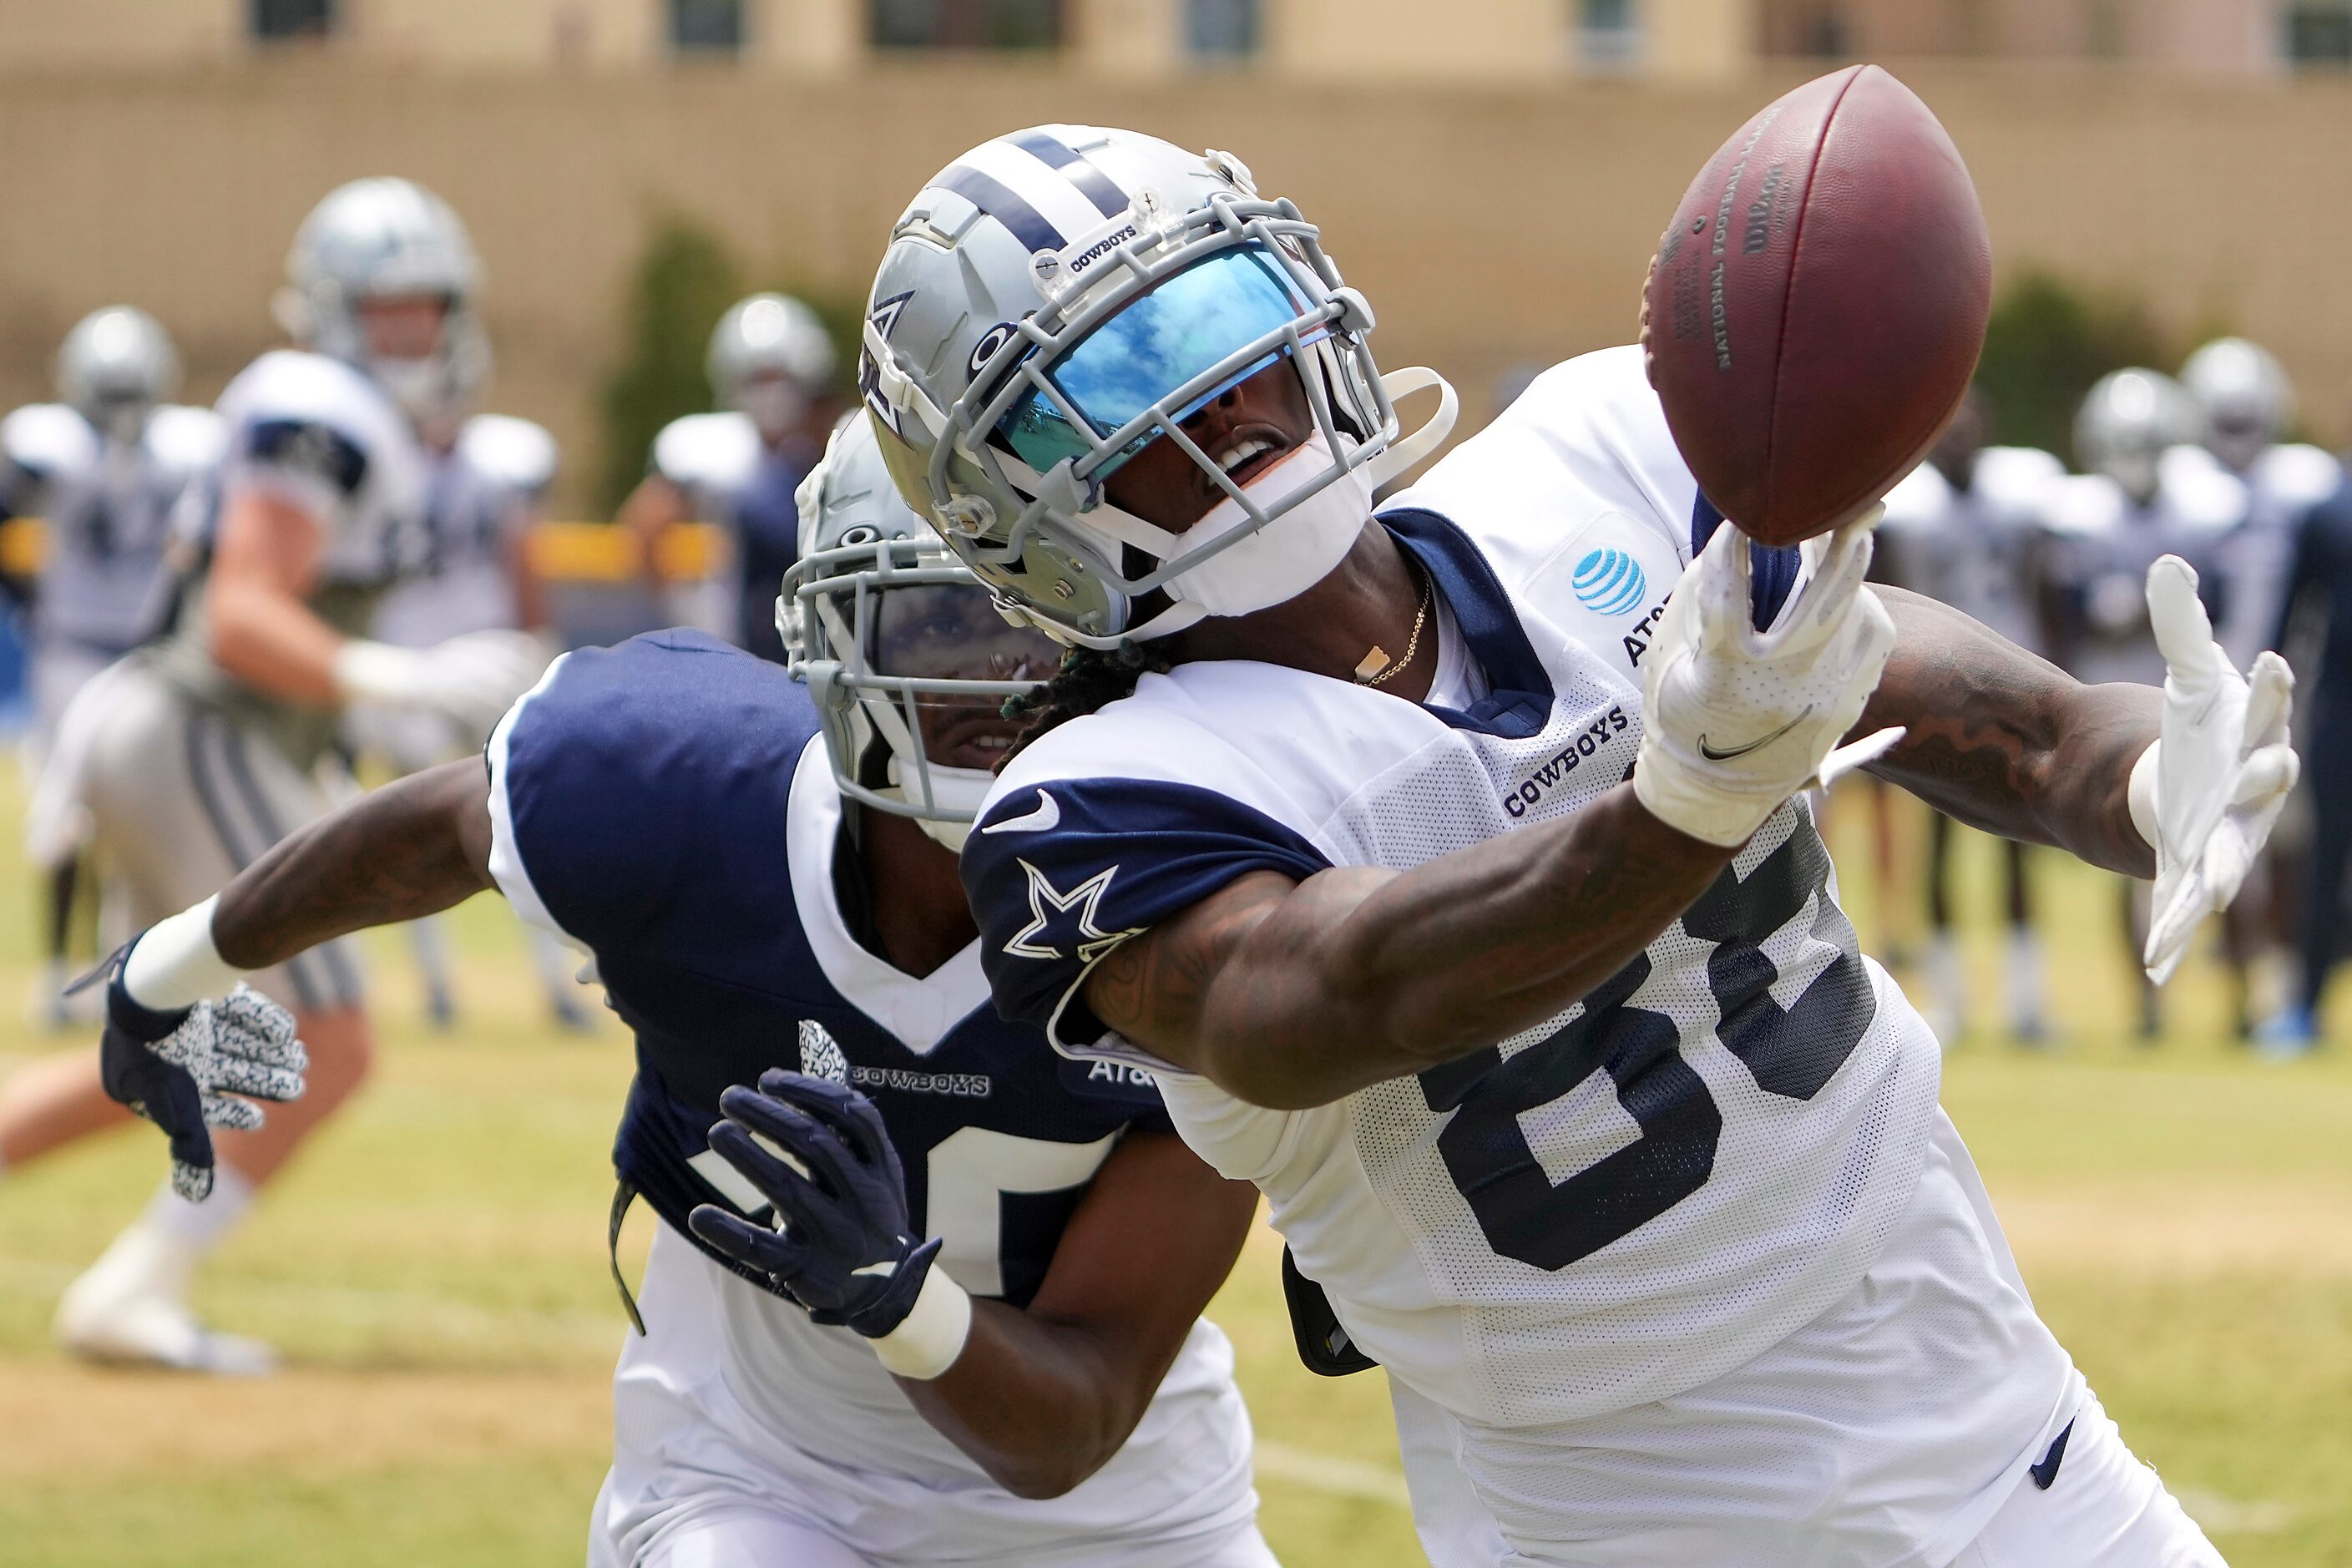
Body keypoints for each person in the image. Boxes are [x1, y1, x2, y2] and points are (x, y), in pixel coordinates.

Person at [865, 124, 2291, 1565]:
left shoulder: (1595, 447)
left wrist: (2133, 772)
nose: (1208, 399)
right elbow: (1327, 997)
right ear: (1002, 504)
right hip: (1618, 1504)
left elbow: (1912, 681)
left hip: (1978, 1383)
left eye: (1208, 316)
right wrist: (1678, 805)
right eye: (1099, 391)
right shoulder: (1096, 799)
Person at [88, 415, 1277, 1567]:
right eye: (937, 618)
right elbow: (438, 830)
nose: (994, 677)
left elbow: (1073, 1421)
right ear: (831, 632)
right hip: (754, 1470)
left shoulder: (1199, 913)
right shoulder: (675, 785)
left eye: (1038, 624)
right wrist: (168, 970)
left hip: (1119, 1516)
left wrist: (892, 1295)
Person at [0, 178, 544, 1373]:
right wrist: (402, 681)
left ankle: (132, 1283)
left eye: (426, 309)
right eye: (386, 310)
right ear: (335, 312)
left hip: (175, 727)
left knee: (161, 1049)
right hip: (206, 727)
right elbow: (244, 616)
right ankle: (133, 1290)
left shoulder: (329, 410)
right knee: (327, 1041)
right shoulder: (320, 408)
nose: (411, 335)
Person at [3, 307, 223, 1025]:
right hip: (74, 652)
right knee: (66, 818)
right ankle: (60, 973)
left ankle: (136, 969)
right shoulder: (52, 445)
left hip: (149, 656)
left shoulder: (187, 445)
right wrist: (27, 598)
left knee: (153, 817)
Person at [344, 404, 584, 1030]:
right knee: (411, 828)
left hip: (484, 658)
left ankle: (554, 982)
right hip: (411, 667)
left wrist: (537, 638)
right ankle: (436, 985)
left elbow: (518, 554)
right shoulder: (382, 462)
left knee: (520, 821)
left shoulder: (496, 464)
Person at [2043, 368, 2243, 1038]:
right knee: (2125, 859)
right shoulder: (2078, 516)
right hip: (2110, 701)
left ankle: (2241, 997)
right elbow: (2064, 612)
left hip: (2184, 701)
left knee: (2224, 846)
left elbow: (2218, 606)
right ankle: (2147, 1002)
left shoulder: (2201, 510)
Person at [1878, 389, 2063, 1043]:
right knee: (1939, 848)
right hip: (1936, 694)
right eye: (1947, 430)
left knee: (2020, 847)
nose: (1960, 440)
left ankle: (2025, 1001)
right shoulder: (1907, 510)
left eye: (1970, 427)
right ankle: (1951, 1000)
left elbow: (2042, 594)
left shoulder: (2019, 499)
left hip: (2014, 688)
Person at [618, 292, 837, 661]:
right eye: (759, 379)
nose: (772, 394)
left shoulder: (822, 447)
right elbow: (644, 522)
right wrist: (682, 610)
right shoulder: (720, 450)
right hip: (741, 649)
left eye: (780, 377)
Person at [2258, 467, 2352, 1053]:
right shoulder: (2329, 510)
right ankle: (2304, 1004)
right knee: (2325, 859)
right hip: (2339, 709)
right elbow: (2292, 614)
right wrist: (2266, 704)